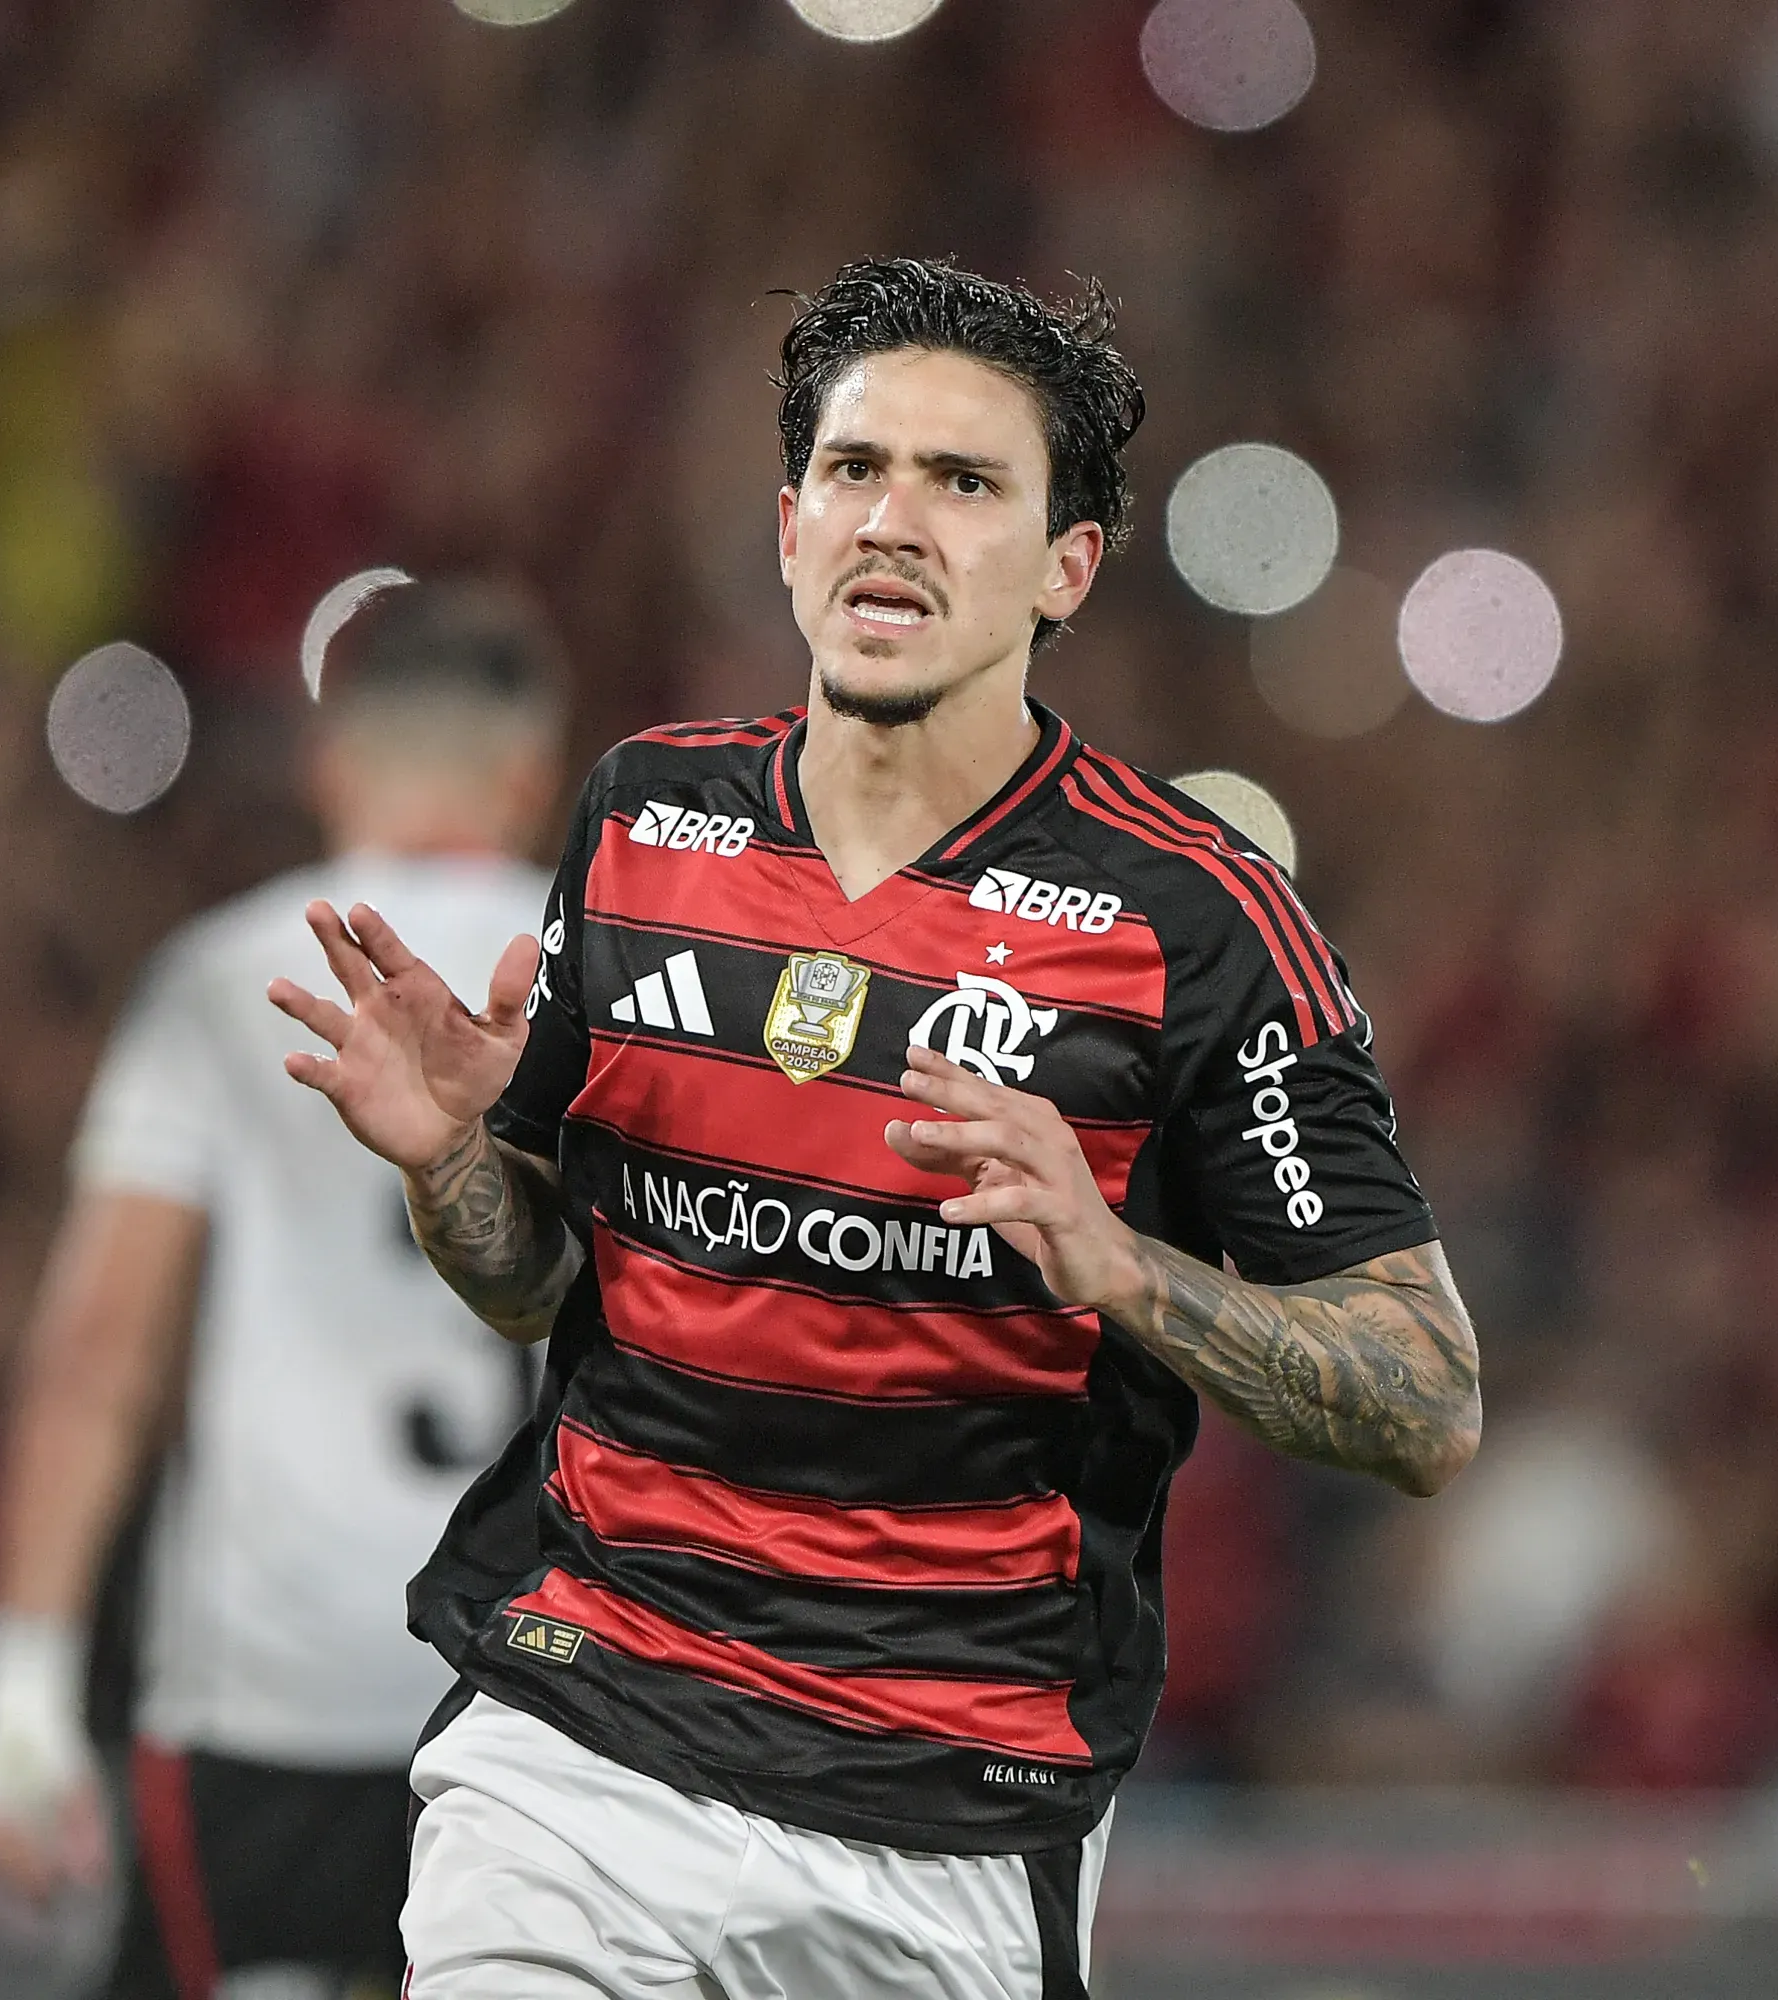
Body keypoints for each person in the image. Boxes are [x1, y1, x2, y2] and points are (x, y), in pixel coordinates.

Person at [269, 258, 1482, 2000]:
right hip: (581, 1743)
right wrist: (448, 1156)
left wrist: (1123, 1269)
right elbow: (532, 1283)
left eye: (965, 482)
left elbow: (1426, 1400)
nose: (893, 521)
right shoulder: (644, 821)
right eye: (855, 470)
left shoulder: (1195, 924)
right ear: (789, 530)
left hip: (944, 1817)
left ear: (1066, 567)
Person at [0, 584, 565, 1999]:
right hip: (546, 1686)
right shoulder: (610, 983)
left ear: (329, 768)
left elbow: (102, 1349)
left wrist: (20, 1675)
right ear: (530, 775)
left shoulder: (221, 979)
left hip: (274, 1686)